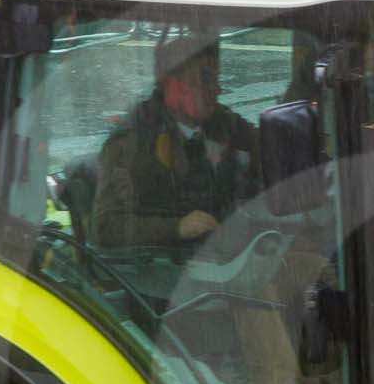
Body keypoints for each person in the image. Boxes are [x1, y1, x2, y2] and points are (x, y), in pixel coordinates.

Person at [91, 34, 259, 248]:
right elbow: (105, 228)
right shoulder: (132, 143)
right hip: (162, 268)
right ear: (172, 85)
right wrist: (175, 228)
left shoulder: (223, 123)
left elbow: (267, 152)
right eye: (206, 80)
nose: (218, 90)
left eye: (216, 79)